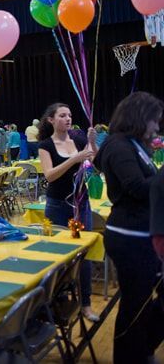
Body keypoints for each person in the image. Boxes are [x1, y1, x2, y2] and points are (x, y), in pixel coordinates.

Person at [95, 92, 164, 363]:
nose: (157, 127)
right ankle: (130, 356)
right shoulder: (119, 146)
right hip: (129, 237)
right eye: (153, 120)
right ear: (139, 117)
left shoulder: (134, 144)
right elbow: (135, 188)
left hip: (142, 234)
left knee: (142, 302)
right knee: (135, 303)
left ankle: (142, 347)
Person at [38, 103, 98, 321]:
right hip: (57, 205)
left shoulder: (80, 139)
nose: (68, 118)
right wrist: (74, 159)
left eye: (70, 115)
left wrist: (91, 142)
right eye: (62, 115)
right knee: (57, 255)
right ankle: (58, 301)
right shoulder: (45, 145)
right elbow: (50, 176)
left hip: (81, 203)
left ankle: (86, 303)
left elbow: (95, 161)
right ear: (51, 120)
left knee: (84, 254)